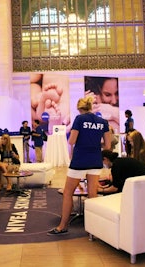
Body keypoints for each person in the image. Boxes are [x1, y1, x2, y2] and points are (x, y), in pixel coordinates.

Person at [48, 95, 111, 236]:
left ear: (79, 109)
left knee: (67, 192)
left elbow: (71, 141)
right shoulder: (103, 122)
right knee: (93, 194)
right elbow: (107, 145)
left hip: (80, 160)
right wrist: (94, 144)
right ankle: (94, 229)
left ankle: (62, 226)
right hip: (95, 160)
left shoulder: (79, 119)